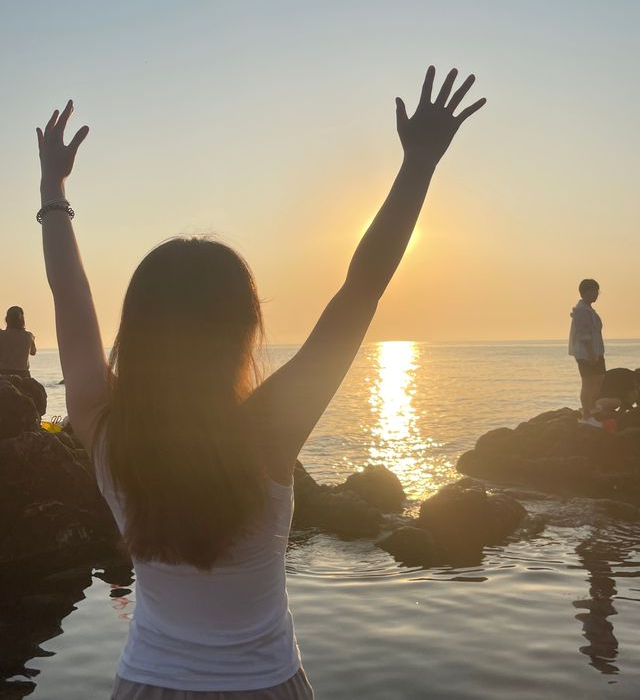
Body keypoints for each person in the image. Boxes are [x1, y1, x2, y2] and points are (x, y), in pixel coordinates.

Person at [35, 66, 486, 700]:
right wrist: (418, 165)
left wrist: (53, 189)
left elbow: (71, 297)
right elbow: (362, 290)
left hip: (147, 686)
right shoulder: (268, 434)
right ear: (245, 328)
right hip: (267, 686)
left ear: (135, 330)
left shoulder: (107, 431)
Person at [568, 279, 605, 423]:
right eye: (594, 291)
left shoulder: (588, 309)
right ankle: (587, 416)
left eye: (597, 291)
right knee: (588, 382)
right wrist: (591, 354)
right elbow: (585, 335)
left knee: (599, 377)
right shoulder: (582, 311)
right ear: (585, 292)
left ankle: (591, 406)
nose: (596, 294)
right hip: (586, 353)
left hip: (596, 351)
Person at [0, 306, 37, 378]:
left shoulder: (1, 335)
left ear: (7, 319)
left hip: (3, 373)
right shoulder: (29, 336)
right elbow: (33, 352)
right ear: (22, 320)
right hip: (23, 374)